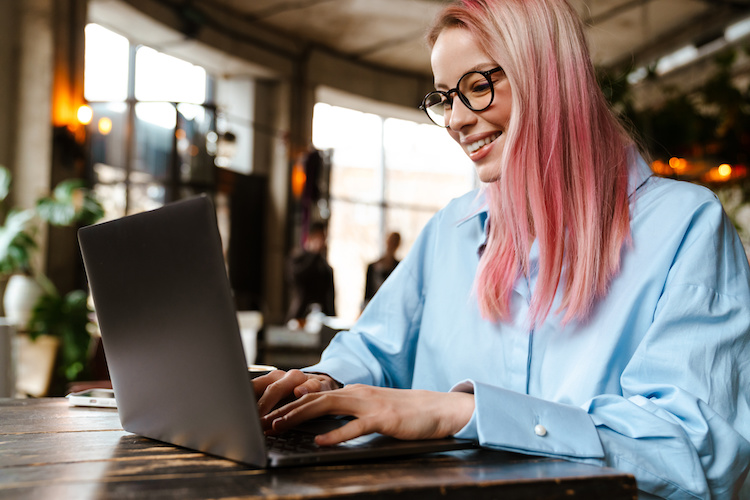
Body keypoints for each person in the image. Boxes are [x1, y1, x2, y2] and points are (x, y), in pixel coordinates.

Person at [255, 1, 750, 497]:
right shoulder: (452, 228)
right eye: (446, 98)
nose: (455, 120)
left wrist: (469, 414)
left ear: (551, 81)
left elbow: (692, 450)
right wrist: (324, 384)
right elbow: (373, 350)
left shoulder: (684, 225)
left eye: (476, 87)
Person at [285, 221, 335, 327]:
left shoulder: (325, 266)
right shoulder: (298, 259)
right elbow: (296, 279)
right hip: (300, 316)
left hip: (321, 318)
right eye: (318, 238)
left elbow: (329, 296)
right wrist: (313, 254)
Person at [363, 231, 401, 308]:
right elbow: (367, 294)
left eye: (394, 242)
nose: (392, 244)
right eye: (391, 241)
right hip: (374, 307)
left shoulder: (400, 268)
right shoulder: (373, 267)